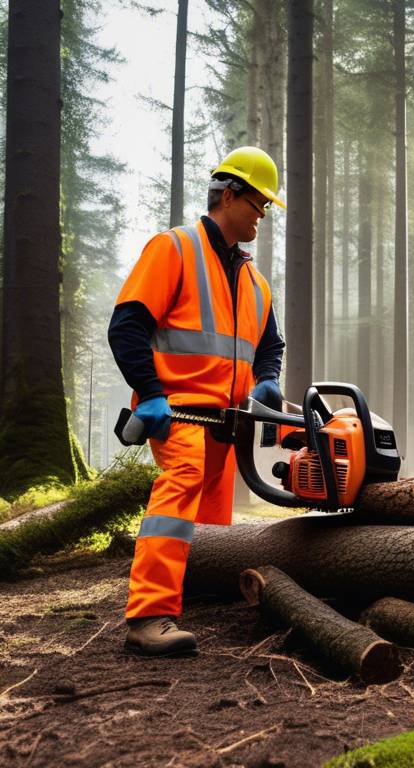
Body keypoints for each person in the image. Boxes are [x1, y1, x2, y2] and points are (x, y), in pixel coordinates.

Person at [108, 147, 286, 656]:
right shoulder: (174, 248)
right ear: (228, 195)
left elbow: (270, 346)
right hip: (178, 412)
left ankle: (199, 598)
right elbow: (127, 327)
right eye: (257, 204)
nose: (261, 216)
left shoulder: (254, 280)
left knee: (210, 514)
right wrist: (154, 394)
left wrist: (267, 381)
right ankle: (149, 615)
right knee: (180, 488)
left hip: (228, 421)